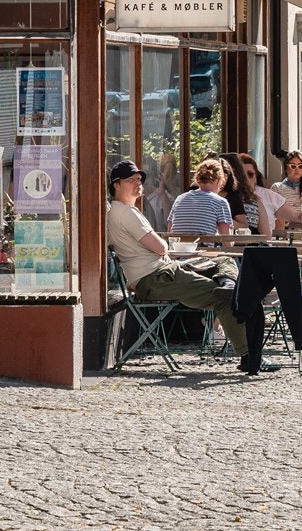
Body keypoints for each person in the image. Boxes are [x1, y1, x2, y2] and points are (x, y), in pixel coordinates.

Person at [106, 160, 270, 375]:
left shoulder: (126, 211)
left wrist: (164, 247)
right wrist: (163, 246)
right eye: (131, 180)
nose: (138, 183)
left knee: (223, 260)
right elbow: (160, 246)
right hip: (155, 278)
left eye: (139, 179)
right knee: (227, 298)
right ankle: (250, 355)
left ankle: (228, 282)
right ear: (116, 185)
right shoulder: (126, 213)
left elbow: (165, 241)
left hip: (164, 271)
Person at [168, 159, 235, 243]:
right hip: (205, 253)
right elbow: (226, 240)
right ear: (218, 181)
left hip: (178, 252)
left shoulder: (180, 199)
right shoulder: (220, 202)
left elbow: (170, 230)